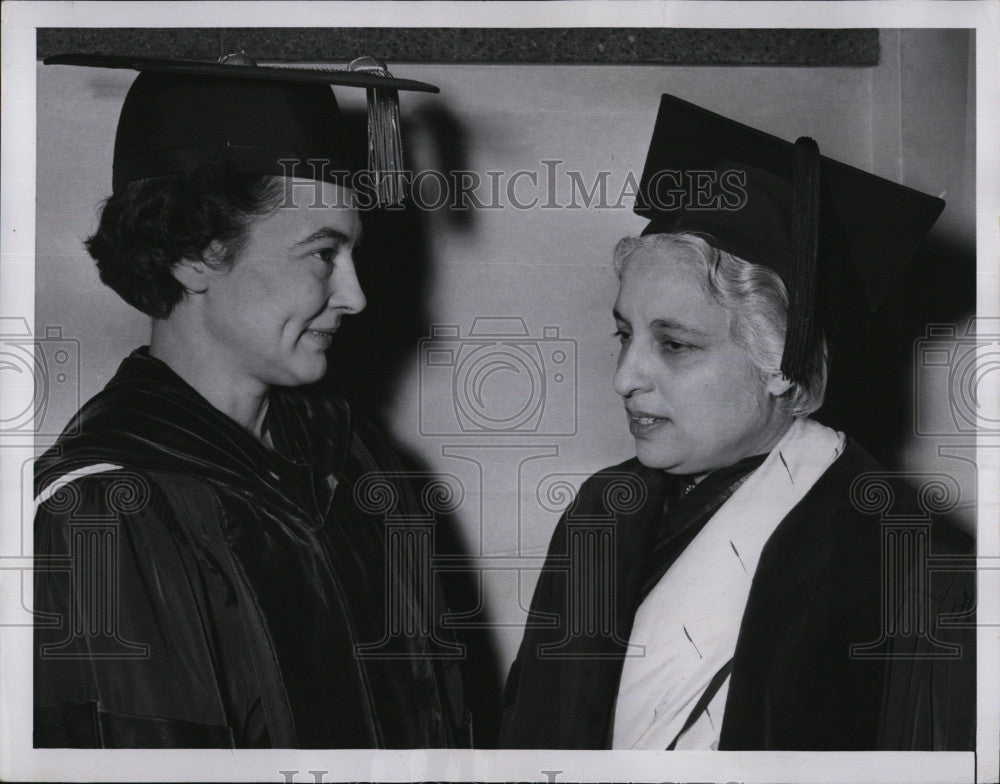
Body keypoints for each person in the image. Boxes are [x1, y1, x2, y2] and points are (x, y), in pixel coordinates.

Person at [499, 94, 975, 751]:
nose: (625, 377)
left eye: (675, 344)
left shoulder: (911, 562)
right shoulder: (601, 512)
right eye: (624, 334)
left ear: (782, 362)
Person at [33, 53, 467, 748]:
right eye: (323, 254)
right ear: (197, 255)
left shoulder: (354, 460)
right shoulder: (106, 509)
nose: (356, 297)